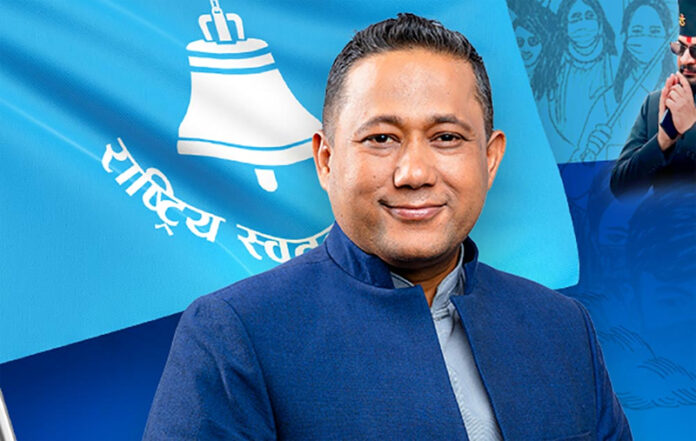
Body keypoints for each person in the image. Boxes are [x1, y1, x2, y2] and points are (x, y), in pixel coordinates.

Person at [143, 13, 631, 440]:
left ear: (490, 158)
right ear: (326, 160)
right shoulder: (236, 335)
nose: (414, 173)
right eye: (381, 138)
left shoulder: (562, 327)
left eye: (446, 137)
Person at [611, 0, 696, 197]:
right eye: (681, 48)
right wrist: (663, 140)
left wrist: (691, 127)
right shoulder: (654, 104)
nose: (685, 59)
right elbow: (620, 189)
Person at [576, 0, 673, 162]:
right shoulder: (607, 101)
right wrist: (587, 153)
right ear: (624, 37)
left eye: (654, 31)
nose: (645, 38)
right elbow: (579, 165)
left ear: (667, 37)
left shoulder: (681, 96)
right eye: (637, 31)